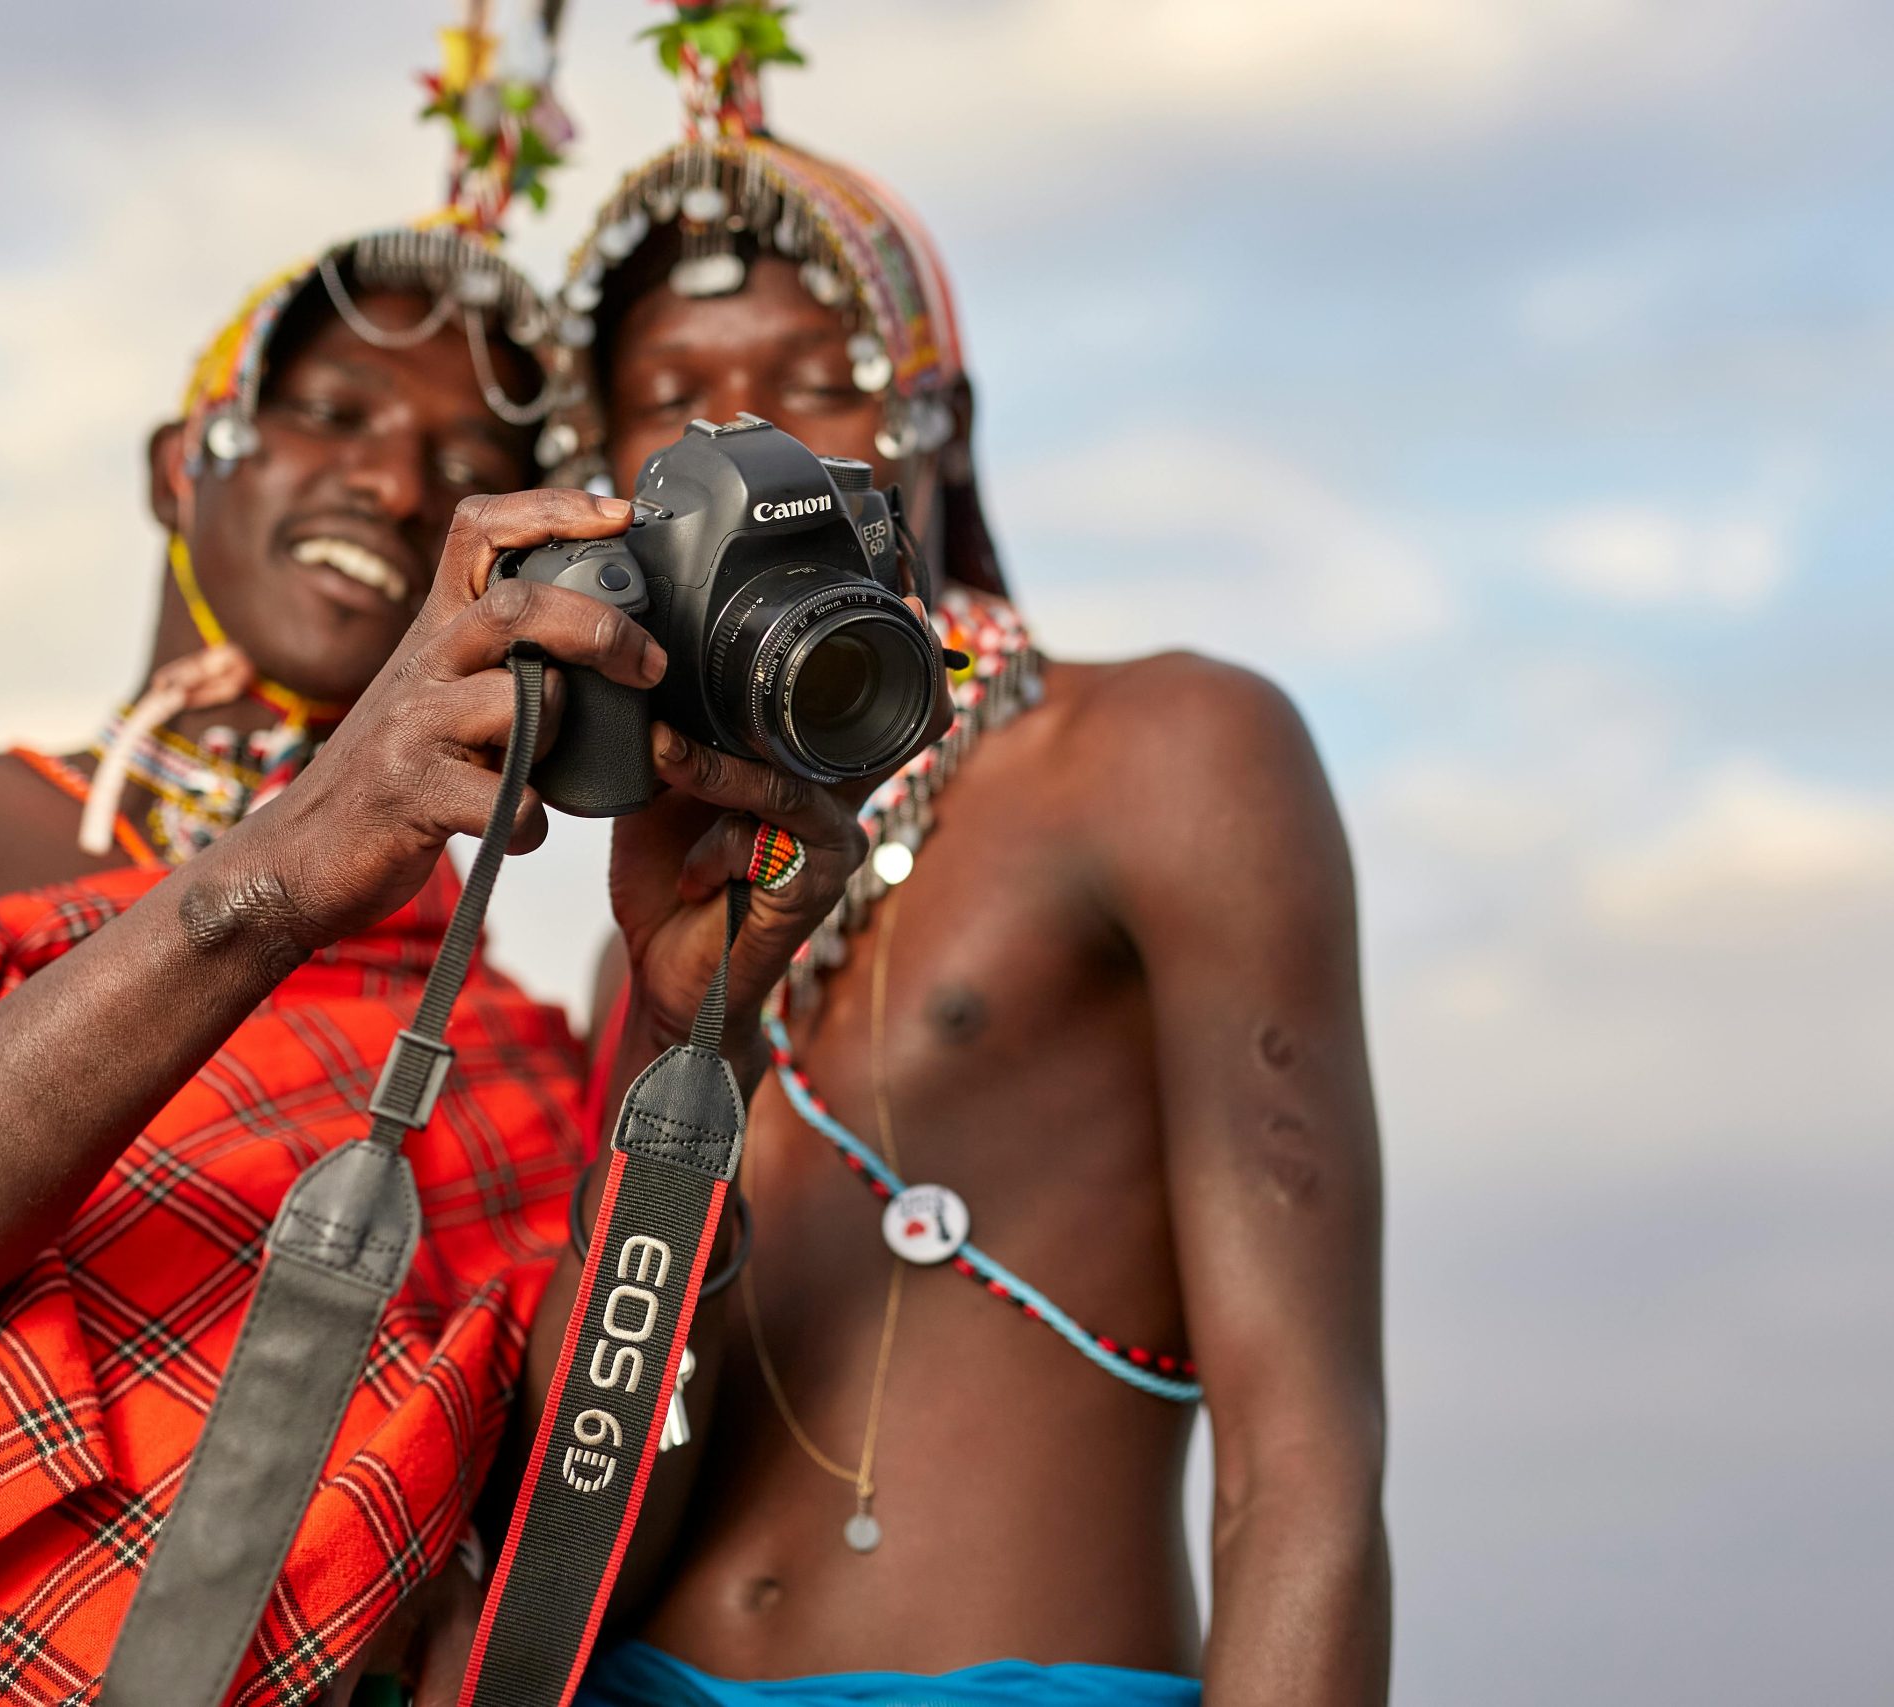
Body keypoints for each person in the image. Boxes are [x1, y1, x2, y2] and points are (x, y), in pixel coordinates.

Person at [0, 163, 880, 1707]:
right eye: (338, 413)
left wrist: (699, 1035)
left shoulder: (511, 1044)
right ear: (185, 463)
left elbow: (568, 1577)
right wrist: (277, 869)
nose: (398, 483)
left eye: (470, 464)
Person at [539, 14, 1391, 1705]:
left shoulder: (1164, 754)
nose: (750, 448)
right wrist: (667, 1032)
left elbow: (1309, 1472)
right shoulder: (646, 923)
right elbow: (602, 1498)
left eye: (817, 379)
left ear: (935, 415)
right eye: (673, 409)